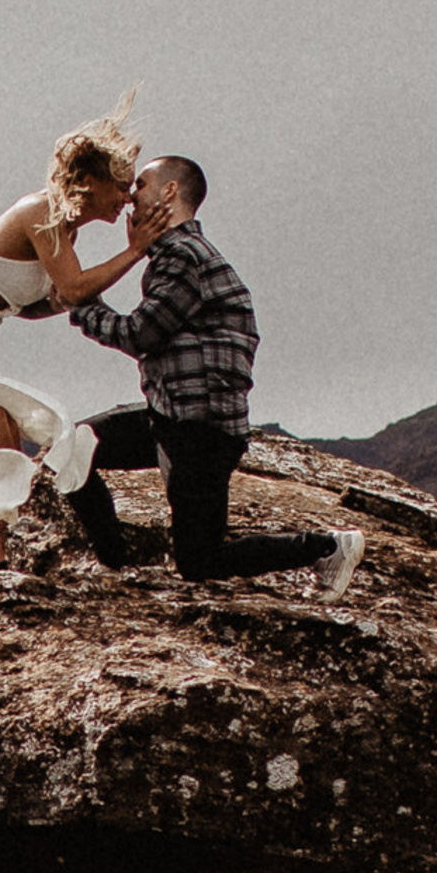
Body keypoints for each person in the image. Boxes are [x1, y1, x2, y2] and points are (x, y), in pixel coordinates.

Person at [0, 97, 153, 618]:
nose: (127, 199)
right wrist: (136, 249)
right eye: (121, 185)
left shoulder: (64, 227)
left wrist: (67, 298)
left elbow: (37, 305)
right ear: (89, 179)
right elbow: (76, 286)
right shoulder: (41, 212)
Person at [65, 157, 365, 592]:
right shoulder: (175, 256)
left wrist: (79, 303)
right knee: (75, 447)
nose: (132, 195)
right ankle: (118, 566)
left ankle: (327, 547)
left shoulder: (184, 256)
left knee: (201, 561)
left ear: (170, 193)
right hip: (172, 419)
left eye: (143, 184)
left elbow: (139, 334)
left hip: (200, 432)